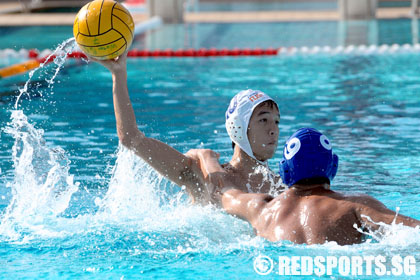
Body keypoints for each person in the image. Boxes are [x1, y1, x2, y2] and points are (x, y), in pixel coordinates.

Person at [90, 52, 282, 204]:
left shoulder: (282, 188)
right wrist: (118, 76)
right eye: (263, 120)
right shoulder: (201, 175)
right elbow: (131, 139)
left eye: (277, 122)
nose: (273, 130)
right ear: (238, 127)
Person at [194, 128, 420, 245]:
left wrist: (206, 157)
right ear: (333, 166)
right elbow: (412, 231)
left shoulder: (261, 208)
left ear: (284, 171)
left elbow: (224, 192)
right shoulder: (355, 206)